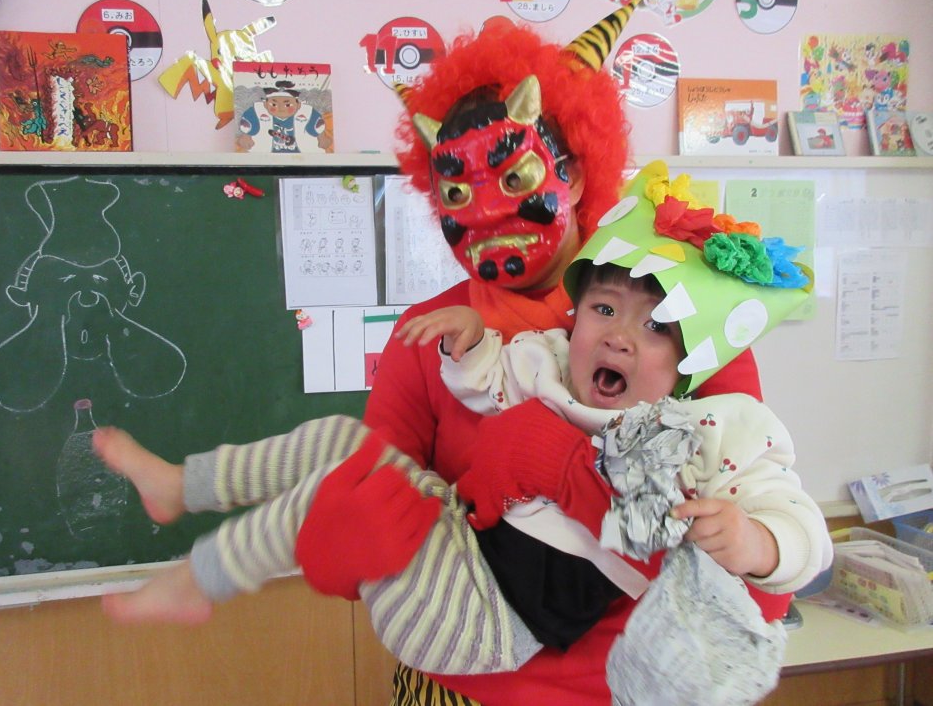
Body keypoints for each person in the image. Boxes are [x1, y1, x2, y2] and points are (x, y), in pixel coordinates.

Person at [95, 160, 831, 704]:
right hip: (451, 576)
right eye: (603, 312)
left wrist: (756, 543)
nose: (618, 338)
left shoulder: (710, 423)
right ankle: (183, 488)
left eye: (652, 328)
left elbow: (797, 530)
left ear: (574, 177)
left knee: (354, 481)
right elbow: (489, 379)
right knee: (345, 450)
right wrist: (470, 340)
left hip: (486, 624)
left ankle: (199, 578)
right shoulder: (549, 360)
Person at [291, 9, 773, 705]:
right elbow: (379, 507)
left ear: (572, 176)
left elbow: (753, 534)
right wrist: (352, 526)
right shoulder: (431, 336)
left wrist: (567, 468)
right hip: (459, 684)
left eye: (514, 177)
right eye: (458, 192)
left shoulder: (683, 313)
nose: (487, 212)